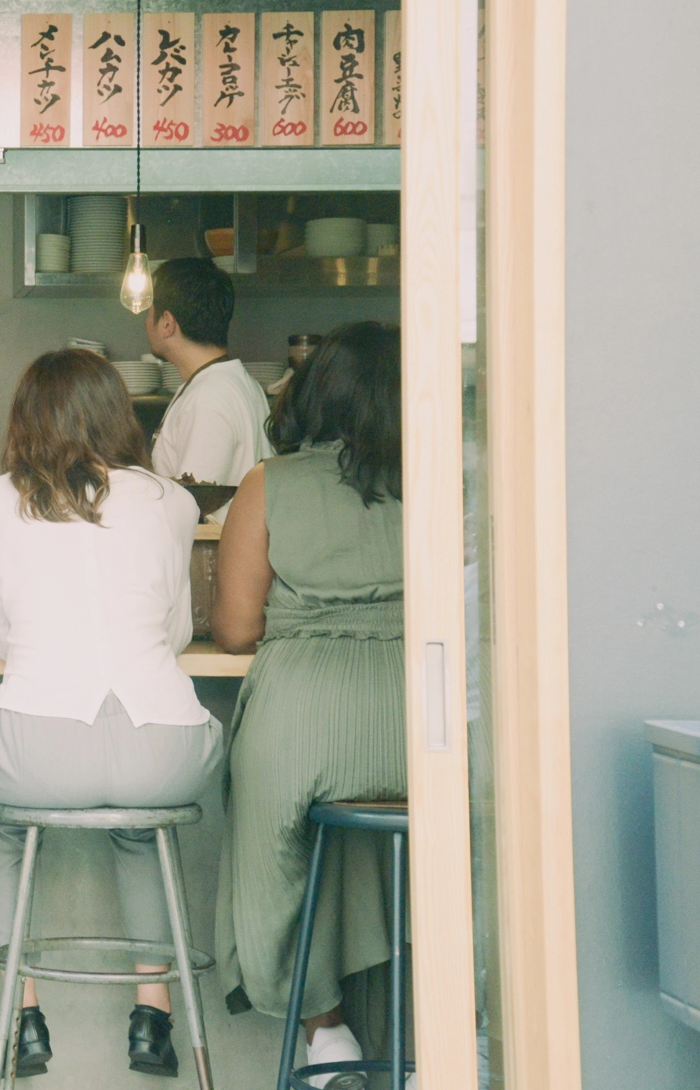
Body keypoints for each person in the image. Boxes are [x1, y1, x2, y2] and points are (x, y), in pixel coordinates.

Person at [0, 348, 223, 1080]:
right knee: (141, 824)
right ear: (120, 413)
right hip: (164, 746)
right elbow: (174, 631)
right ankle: (152, 1012)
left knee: (0, 818)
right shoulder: (172, 501)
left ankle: (24, 1014)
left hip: (39, 748)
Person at [210, 322, 405, 1088]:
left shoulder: (270, 482)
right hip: (419, 712)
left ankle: (325, 1033)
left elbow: (234, 629)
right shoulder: (443, 477)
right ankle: (454, 1033)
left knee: (270, 851)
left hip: (307, 710)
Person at [143, 258, 273, 517]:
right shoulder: (235, 382)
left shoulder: (208, 396)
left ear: (167, 323)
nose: (145, 321)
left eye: (149, 311)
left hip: (213, 555)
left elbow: (191, 508)